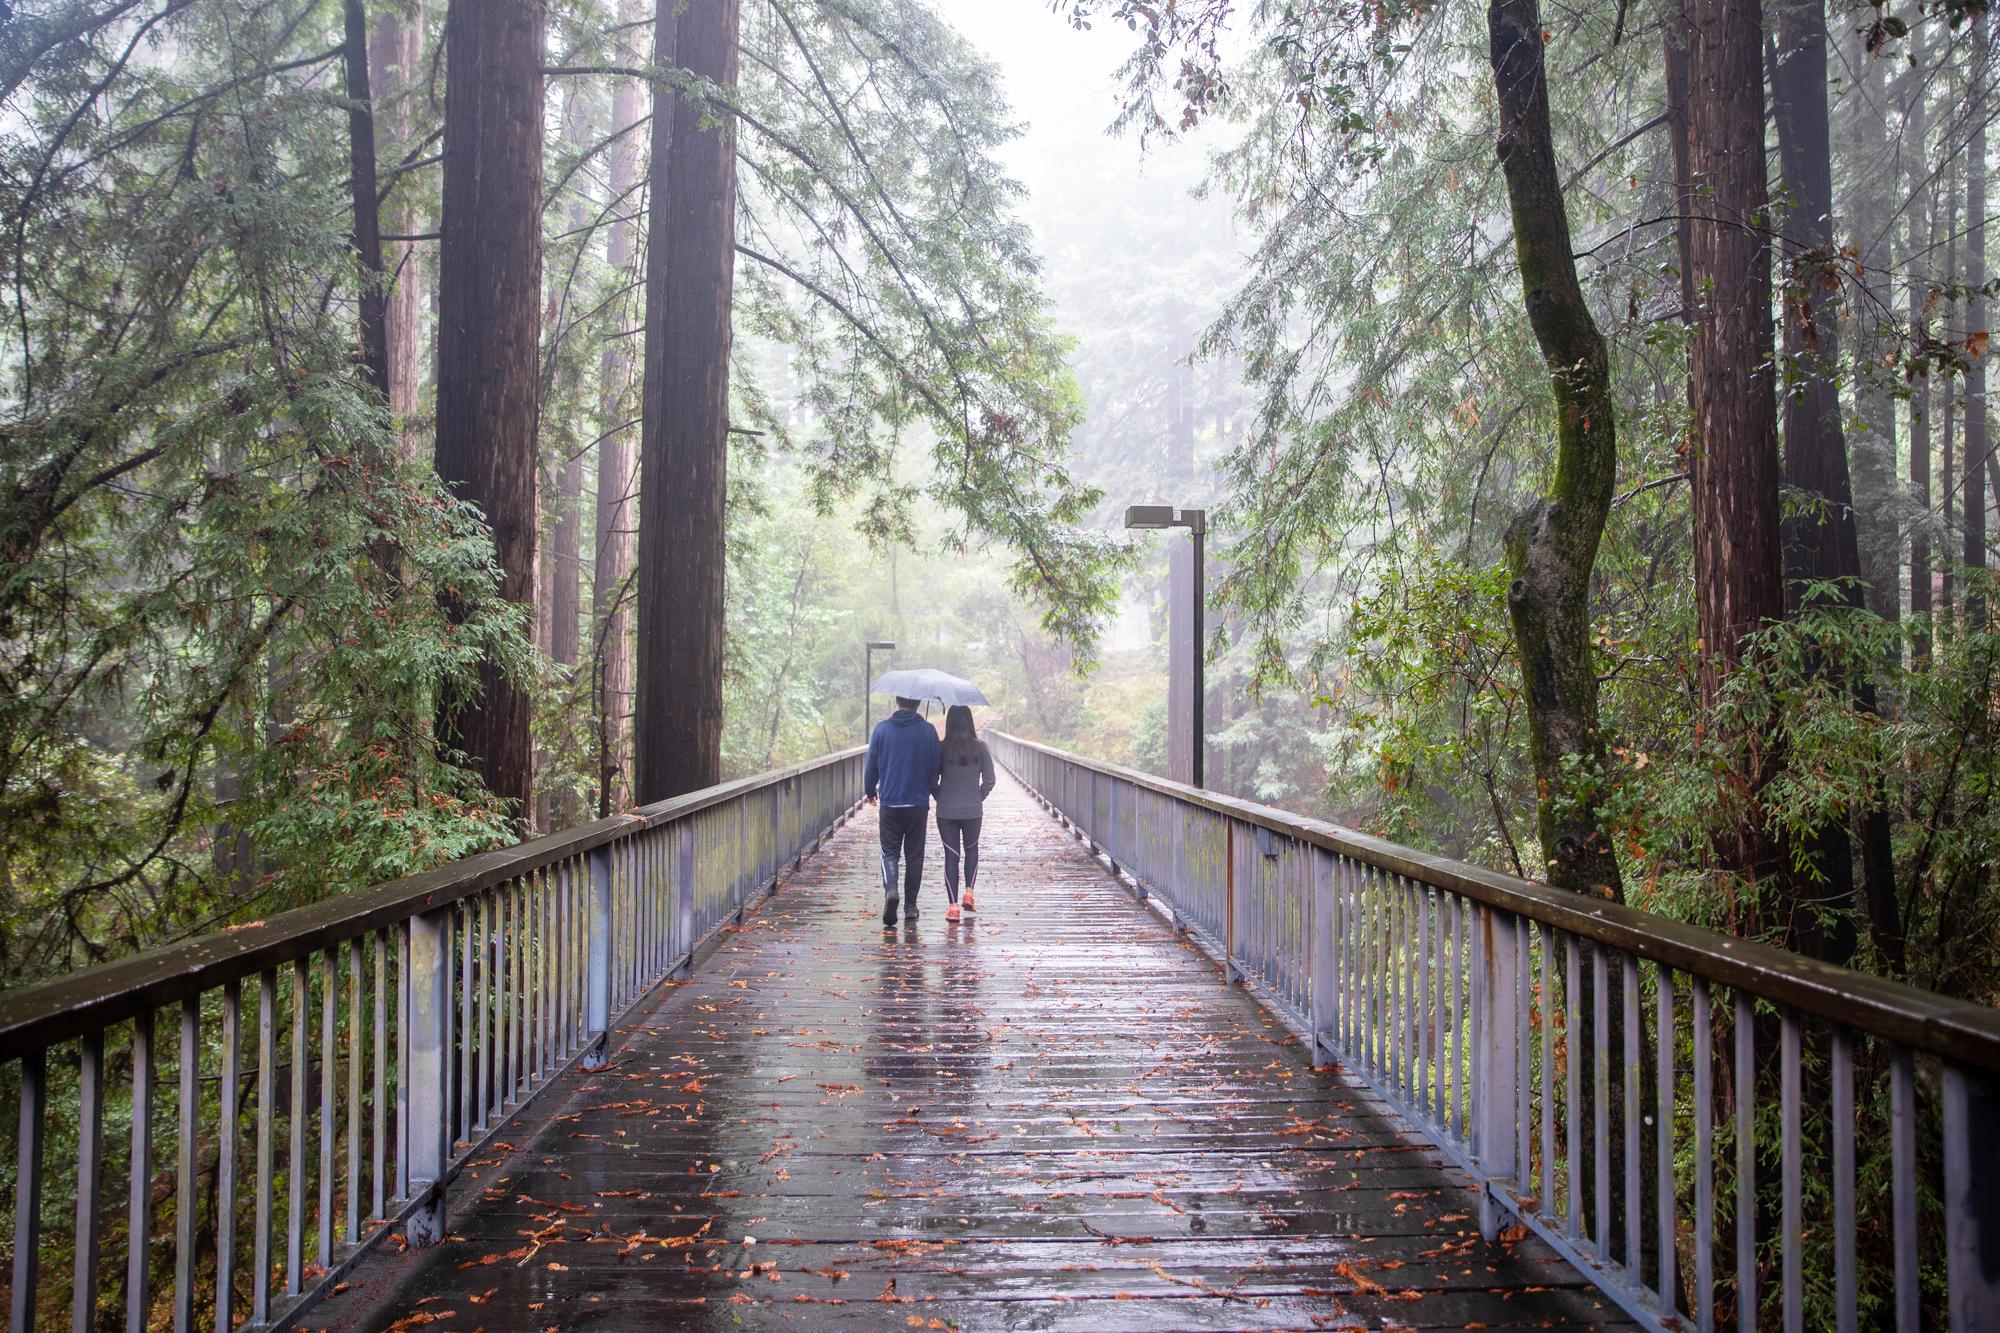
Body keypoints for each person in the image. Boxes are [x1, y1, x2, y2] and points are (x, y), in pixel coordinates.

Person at [865, 695, 942, 927]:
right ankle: (910, 906)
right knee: (915, 855)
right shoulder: (928, 731)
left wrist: (870, 790)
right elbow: (935, 766)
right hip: (917, 803)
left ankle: (891, 890)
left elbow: (872, 765)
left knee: (889, 852)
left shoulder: (881, 730)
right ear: (918, 704)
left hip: (890, 803)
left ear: (897, 702)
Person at [933, 704, 996, 923]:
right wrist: (978, 797)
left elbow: (931, 779)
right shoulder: (981, 748)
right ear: (970, 722)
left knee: (952, 855)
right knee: (971, 850)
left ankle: (952, 908)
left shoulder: (940, 749)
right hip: (972, 810)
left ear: (949, 723)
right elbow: (990, 780)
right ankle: (969, 892)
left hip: (946, 811)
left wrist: (939, 795)